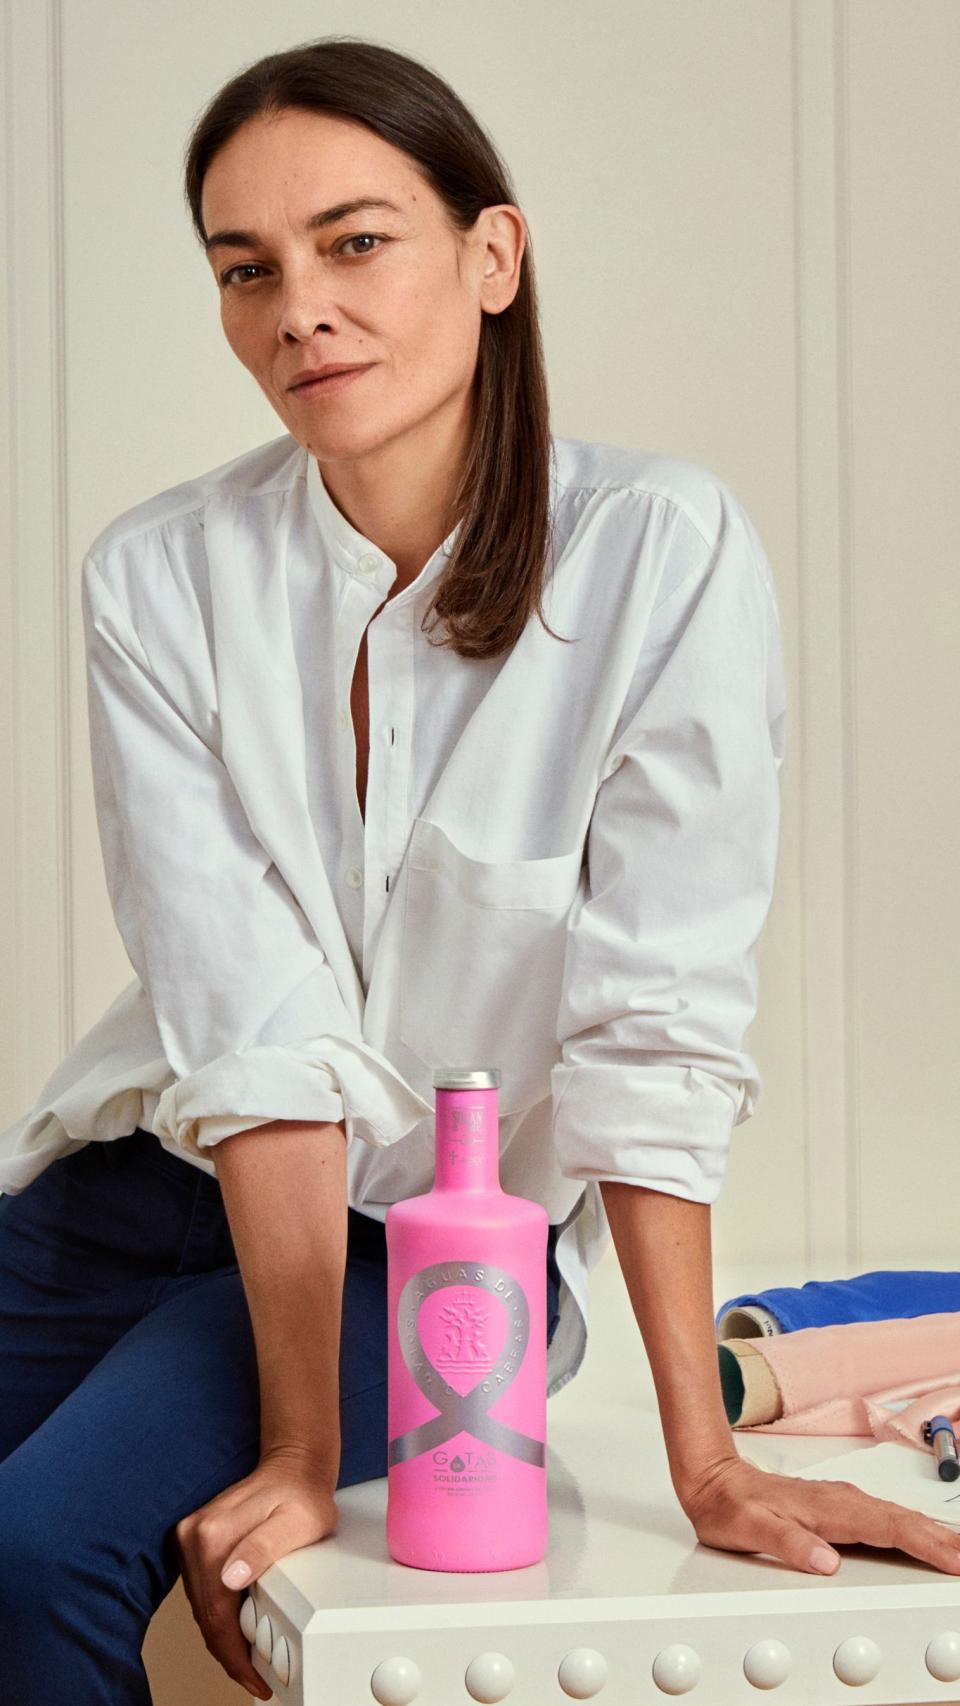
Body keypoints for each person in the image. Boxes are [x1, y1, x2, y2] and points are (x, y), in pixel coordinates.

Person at [1, 32, 957, 1706]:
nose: (301, 308)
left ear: (493, 255)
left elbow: (653, 1029)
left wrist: (704, 1460)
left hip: (429, 1259)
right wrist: (298, 1441)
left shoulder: (658, 556)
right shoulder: (158, 577)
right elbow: (252, 1025)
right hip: (138, 1188)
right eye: (248, 267)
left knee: (34, 1550)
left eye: (355, 242)